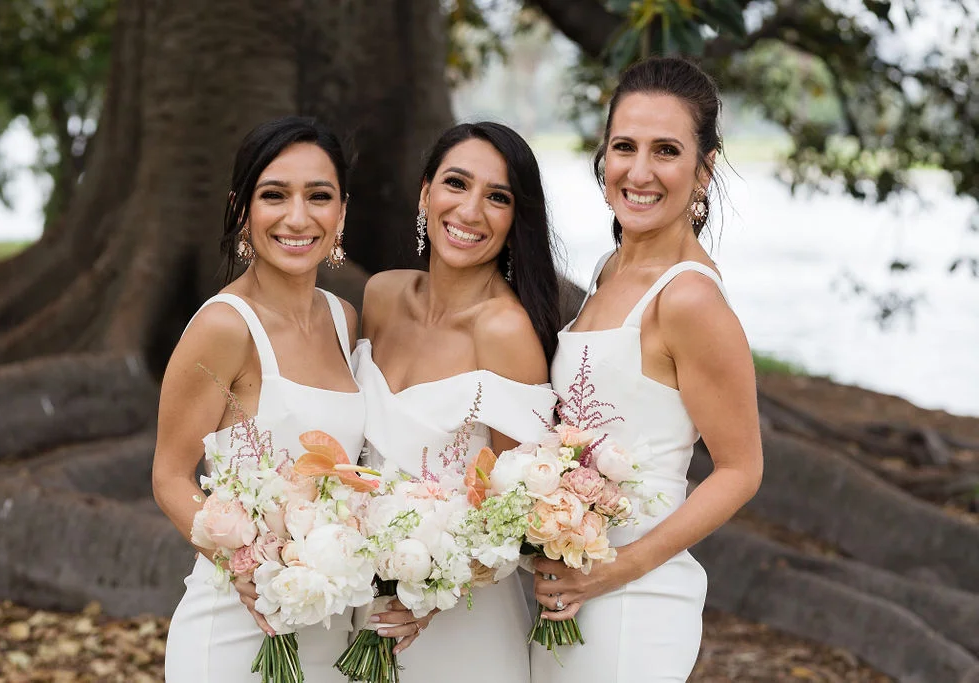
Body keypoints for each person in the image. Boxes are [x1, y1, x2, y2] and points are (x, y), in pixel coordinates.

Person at [530, 57, 763, 682]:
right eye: (624, 147)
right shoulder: (612, 269)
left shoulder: (687, 298)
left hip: (633, 601)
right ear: (602, 157)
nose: (639, 171)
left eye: (666, 151)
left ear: (704, 169)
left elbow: (740, 469)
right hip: (572, 591)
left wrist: (618, 567)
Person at [153, 116, 363, 682]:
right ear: (243, 209)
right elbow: (170, 476)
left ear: (341, 211)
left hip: (331, 629)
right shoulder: (225, 327)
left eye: (319, 196)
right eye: (274, 195)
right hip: (240, 627)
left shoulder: (344, 320)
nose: (298, 217)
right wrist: (248, 567)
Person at [351, 121, 560, 682]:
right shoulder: (380, 296)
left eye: (498, 197)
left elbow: (520, 511)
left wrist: (429, 589)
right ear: (425, 193)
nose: (470, 211)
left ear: (517, 219)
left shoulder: (505, 333)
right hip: (355, 608)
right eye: (456, 184)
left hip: (460, 624)